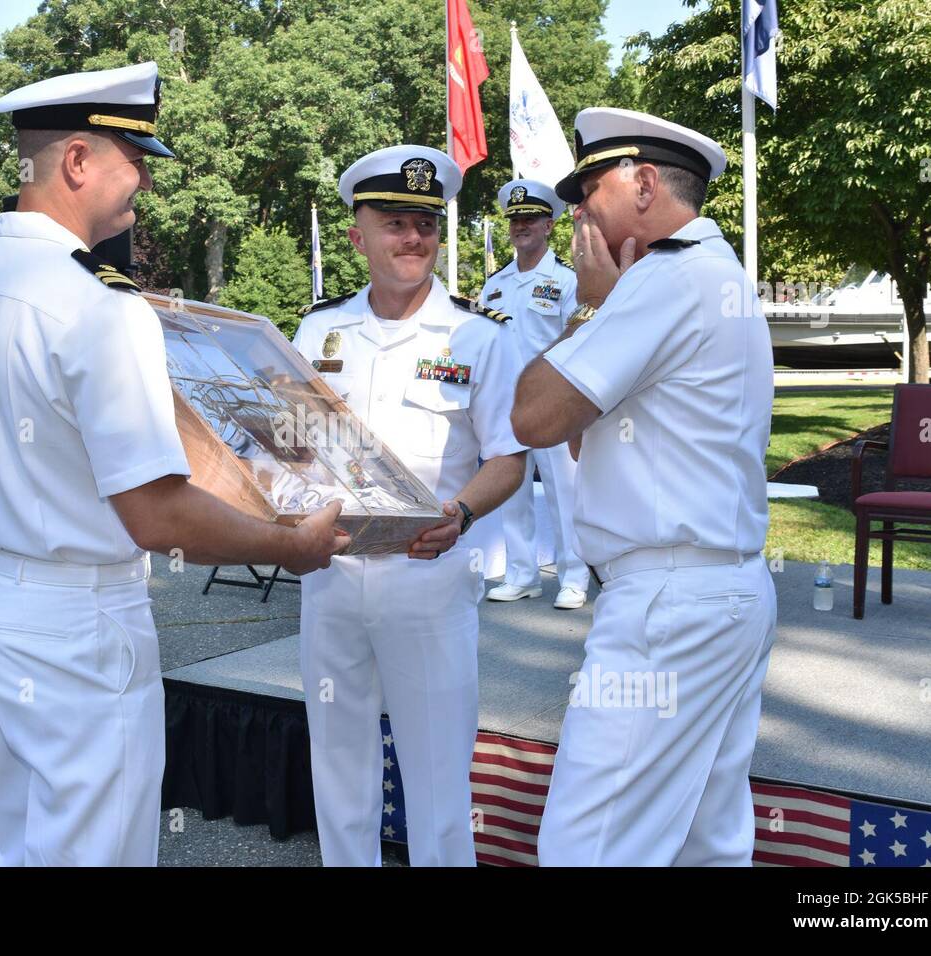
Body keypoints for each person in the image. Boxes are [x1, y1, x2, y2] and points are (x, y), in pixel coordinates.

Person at [0, 62, 348, 867]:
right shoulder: (100, 305)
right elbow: (157, 515)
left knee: (16, 844)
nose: (144, 180)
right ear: (77, 161)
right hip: (78, 624)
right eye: (133, 157)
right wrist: (293, 547)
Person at [511, 107, 776, 865]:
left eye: (589, 187)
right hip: (721, 590)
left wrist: (589, 302)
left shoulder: (665, 278)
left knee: (587, 848)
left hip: (667, 605)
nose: (577, 213)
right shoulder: (711, 273)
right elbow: (570, 427)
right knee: (704, 842)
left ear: (644, 182)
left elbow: (533, 415)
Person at [292, 145, 527, 866]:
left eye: (425, 223)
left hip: (429, 577)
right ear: (357, 235)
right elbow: (292, 448)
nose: (413, 238)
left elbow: (510, 458)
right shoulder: (315, 331)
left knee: (437, 780)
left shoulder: (478, 336)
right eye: (394, 222)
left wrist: (458, 514)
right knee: (337, 768)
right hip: (330, 577)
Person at [479, 179, 590, 609]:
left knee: (566, 492)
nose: (521, 226)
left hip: (552, 403)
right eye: (515, 220)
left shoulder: (566, 281)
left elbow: (575, 338)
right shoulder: (495, 285)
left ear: (549, 225)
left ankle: (574, 577)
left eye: (530, 219)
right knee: (512, 491)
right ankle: (522, 574)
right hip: (505, 404)